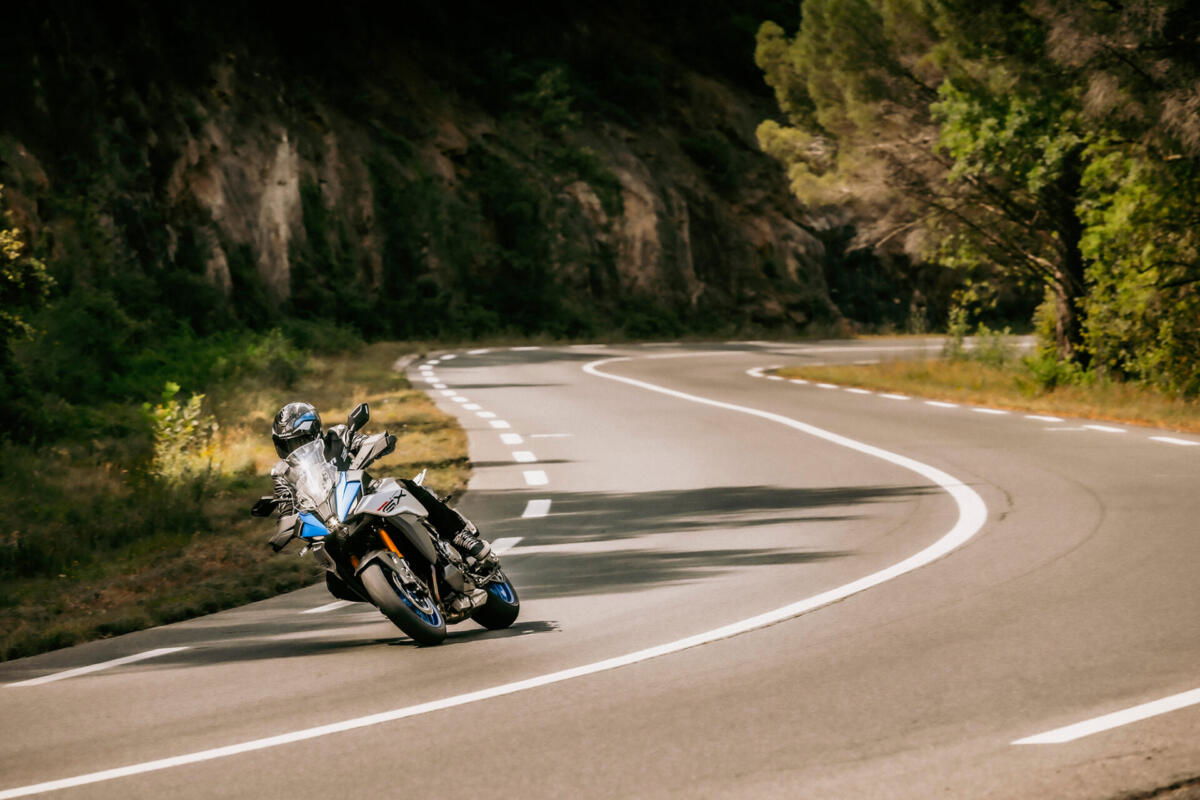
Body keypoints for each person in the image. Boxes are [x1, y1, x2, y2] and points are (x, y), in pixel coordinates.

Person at [268, 401, 493, 561]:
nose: (294, 448)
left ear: (314, 432)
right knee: (334, 582)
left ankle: (459, 534)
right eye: (286, 444)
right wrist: (287, 524)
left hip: (366, 496)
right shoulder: (283, 473)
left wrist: (376, 444)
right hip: (330, 518)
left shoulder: (337, 436)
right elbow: (286, 506)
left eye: (298, 441)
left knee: (403, 486)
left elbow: (363, 441)